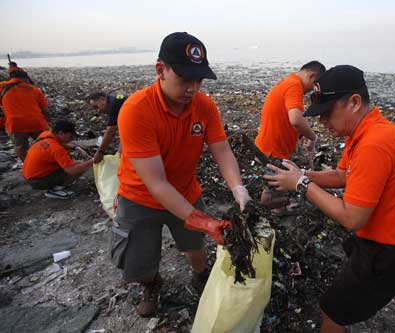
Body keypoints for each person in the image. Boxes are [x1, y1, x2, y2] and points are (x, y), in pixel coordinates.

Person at [264, 65, 395, 333]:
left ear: (354, 102)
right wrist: (303, 173)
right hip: (389, 238)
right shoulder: (368, 130)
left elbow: (351, 218)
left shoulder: (373, 144)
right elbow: (343, 175)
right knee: (343, 292)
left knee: (331, 314)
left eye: (327, 113)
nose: (322, 122)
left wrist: (301, 184)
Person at [113, 32, 251, 317]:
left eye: (199, 79)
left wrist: (239, 188)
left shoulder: (205, 106)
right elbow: (156, 182)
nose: (193, 88)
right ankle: (152, 284)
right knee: (138, 264)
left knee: (195, 248)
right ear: (160, 70)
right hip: (139, 198)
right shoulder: (136, 110)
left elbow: (222, 152)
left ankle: (200, 275)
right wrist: (200, 219)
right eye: (185, 79)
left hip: (187, 191)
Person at [254, 61, 325, 206]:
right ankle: (267, 214)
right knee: (271, 189)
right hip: (273, 150)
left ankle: (277, 208)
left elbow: (284, 117)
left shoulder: (288, 82)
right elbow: (296, 120)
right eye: (314, 86)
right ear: (312, 76)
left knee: (276, 183)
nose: (311, 90)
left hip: (269, 146)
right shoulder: (294, 86)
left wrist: (301, 135)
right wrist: (312, 136)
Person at [22, 120, 94, 199]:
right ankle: (54, 190)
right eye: (71, 136)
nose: (72, 138)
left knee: (79, 163)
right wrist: (92, 161)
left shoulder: (46, 134)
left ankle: (56, 184)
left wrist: (76, 147)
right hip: (38, 180)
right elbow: (72, 170)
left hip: (30, 174)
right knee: (81, 167)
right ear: (61, 133)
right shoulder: (57, 149)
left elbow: (60, 143)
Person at [0, 68, 49, 161]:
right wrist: (45, 120)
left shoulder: (2, 86)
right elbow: (45, 109)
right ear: (26, 79)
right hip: (37, 122)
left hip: (15, 124)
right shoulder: (35, 90)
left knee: (21, 148)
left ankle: (28, 165)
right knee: (45, 144)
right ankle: (46, 163)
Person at [87, 92, 127, 163]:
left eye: (96, 107)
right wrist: (119, 153)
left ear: (102, 99)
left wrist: (100, 152)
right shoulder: (115, 100)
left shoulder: (114, 105)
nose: (98, 111)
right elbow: (125, 132)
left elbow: (111, 131)